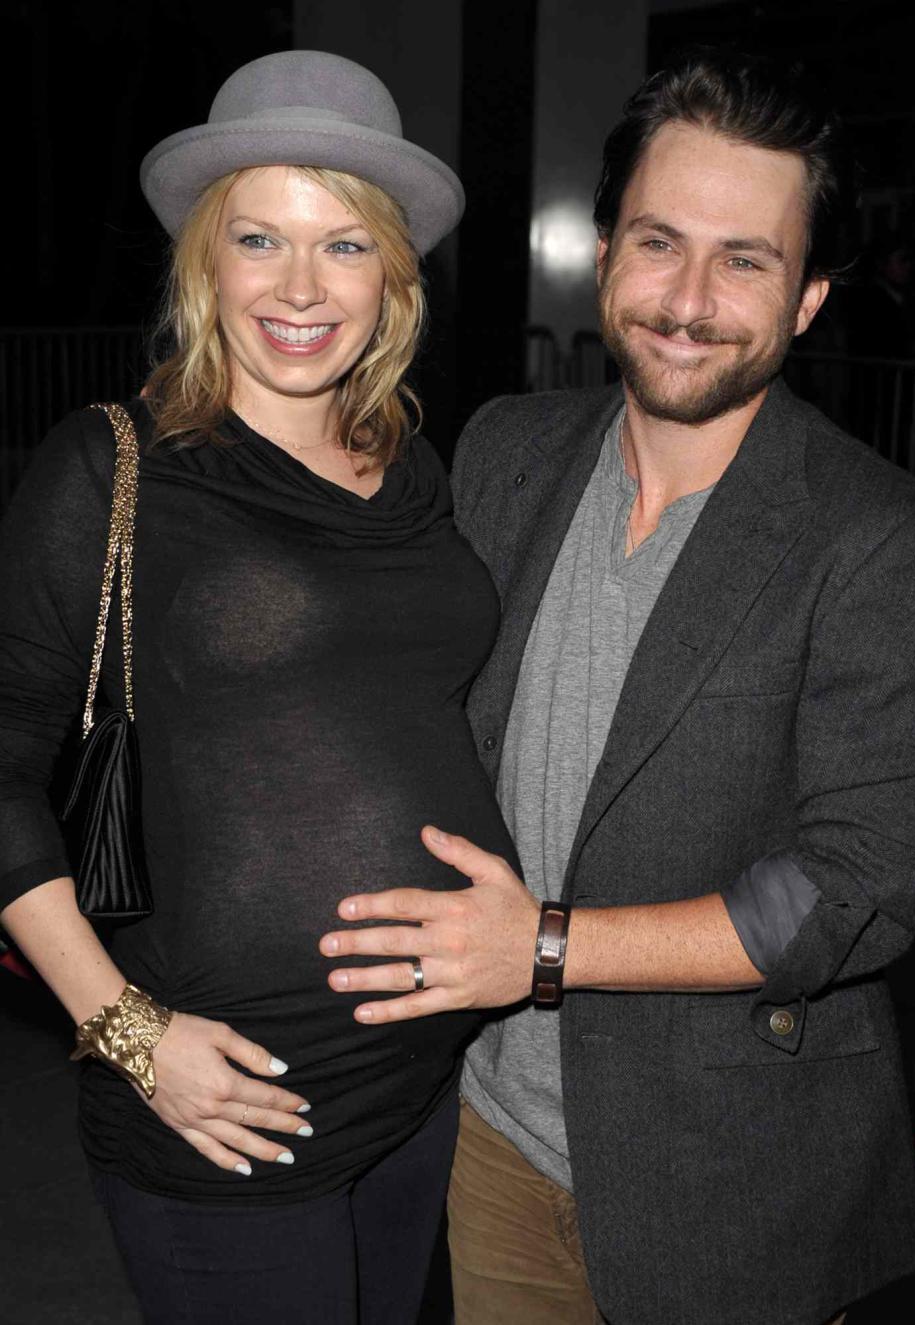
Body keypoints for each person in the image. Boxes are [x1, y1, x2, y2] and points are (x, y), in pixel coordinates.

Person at [318, 50, 915, 1325]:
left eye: (747, 259)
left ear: (812, 298)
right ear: (605, 252)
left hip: (739, 1172)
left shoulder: (887, 536)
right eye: (660, 242)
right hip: (493, 1146)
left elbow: (859, 883)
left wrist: (542, 947)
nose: (689, 298)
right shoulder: (504, 448)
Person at [0, 50, 518, 1325]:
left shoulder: (413, 469)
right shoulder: (109, 467)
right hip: (223, 1105)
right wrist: (128, 1033)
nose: (300, 287)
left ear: (393, 276)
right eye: (259, 238)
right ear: (203, 263)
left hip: (421, 1088)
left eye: (344, 245)